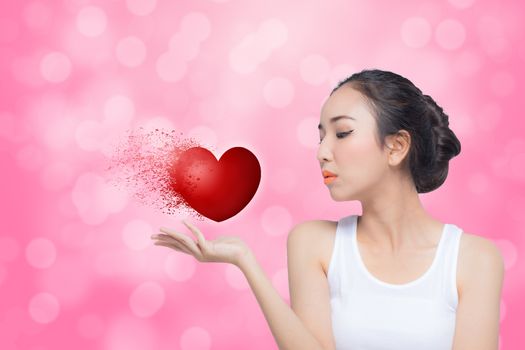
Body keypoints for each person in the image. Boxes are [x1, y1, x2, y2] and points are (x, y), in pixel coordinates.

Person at [151, 69, 505, 350]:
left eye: (342, 133)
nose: (322, 152)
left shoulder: (474, 259)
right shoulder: (314, 244)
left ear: (396, 147)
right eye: (320, 136)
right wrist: (246, 261)